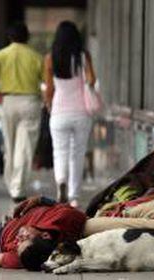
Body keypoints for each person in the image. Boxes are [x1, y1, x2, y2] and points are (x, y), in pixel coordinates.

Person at [0, 22, 44, 202]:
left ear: (10, 37)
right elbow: (46, 80)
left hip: (8, 101)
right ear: (27, 37)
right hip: (30, 101)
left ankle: (12, 183)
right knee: (25, 148)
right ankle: (17, 187)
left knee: (10, 145)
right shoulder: (35, 57)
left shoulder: (3, 54)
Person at [44, 21, 97, 208]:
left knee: (60, 152)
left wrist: (49, 105)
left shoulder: (51, 58)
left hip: (59, 112)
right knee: (77, 154)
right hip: (81, 112)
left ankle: (61, 181)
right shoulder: (83, 57)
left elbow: (49, 88)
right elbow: (92, 79)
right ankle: (74, 197)